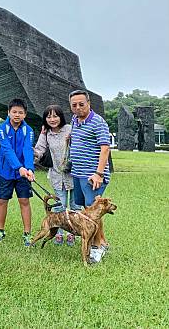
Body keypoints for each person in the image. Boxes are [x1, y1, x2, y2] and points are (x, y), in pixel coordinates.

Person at [68, 89, 111, 263]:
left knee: (92, 213)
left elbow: (105, 148)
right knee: (87, 210)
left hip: (92, 176)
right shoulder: (74, 120)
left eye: (81, 104)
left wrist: (99, 174)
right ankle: (102, 241)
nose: (78, 108)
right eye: (74, 105)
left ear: (89, 103)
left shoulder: (98, 122)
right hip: (78, 174)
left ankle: (97, 247)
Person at [0, 98, 35, 247]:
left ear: (25, 114)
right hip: (5, 172)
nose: (17, 115)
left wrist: (29, 168)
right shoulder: (1, 129)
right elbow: (7, 149)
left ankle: (28, 234)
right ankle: (0, 230)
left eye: (20, 112)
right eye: (14, 112)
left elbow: (27, 149)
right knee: (2, 200)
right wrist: (19, 167)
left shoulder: (28, 130)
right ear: (8, 112)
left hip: (23, 172)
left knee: (24, 201)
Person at [33, 104, 78, 246]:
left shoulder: (70, 129)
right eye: (48, 116)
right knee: (60, 205)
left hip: (74, 173)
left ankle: (73, 233)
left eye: (55, 115)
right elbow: (39, 150)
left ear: (60, 117)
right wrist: (30, 154)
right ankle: (58, 233)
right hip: (57, 175)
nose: (52, 119)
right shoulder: (46, 133)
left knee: (74, 206)